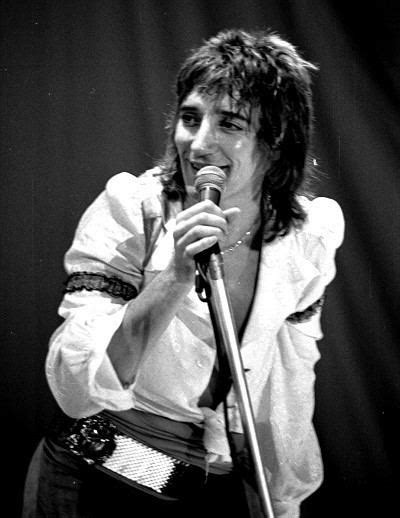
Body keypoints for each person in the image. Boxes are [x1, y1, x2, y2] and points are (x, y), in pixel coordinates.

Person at [25, 28, 344, 518]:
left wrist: (282, 500)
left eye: (230, 123)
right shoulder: (134, 207)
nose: (198, 144)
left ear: (277, 138)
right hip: (100, 476)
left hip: (211, 488)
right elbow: (74, 384)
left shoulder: (306, 236)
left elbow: (290, 380)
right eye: (190, 118)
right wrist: (175, 273)